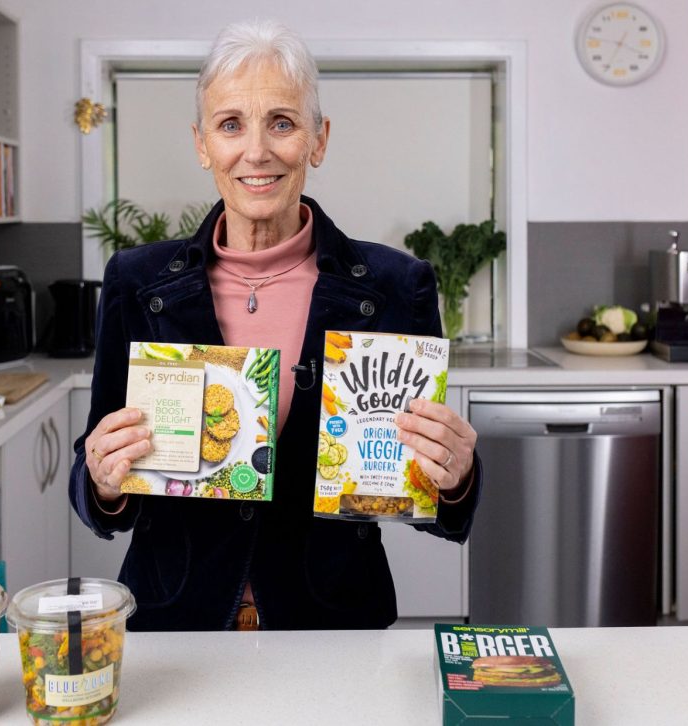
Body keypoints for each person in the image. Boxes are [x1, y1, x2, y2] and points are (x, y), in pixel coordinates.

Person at [70, 18, 482, 631]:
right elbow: (96, 481)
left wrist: (456, 479)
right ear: (202, 143)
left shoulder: (397, 286)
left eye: (282, 123)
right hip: (177, 623)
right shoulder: (137, 282)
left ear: (318, 140)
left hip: (330, 626)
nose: (256, 151)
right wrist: (103, 480)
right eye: (231, 124)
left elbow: (426, 503)